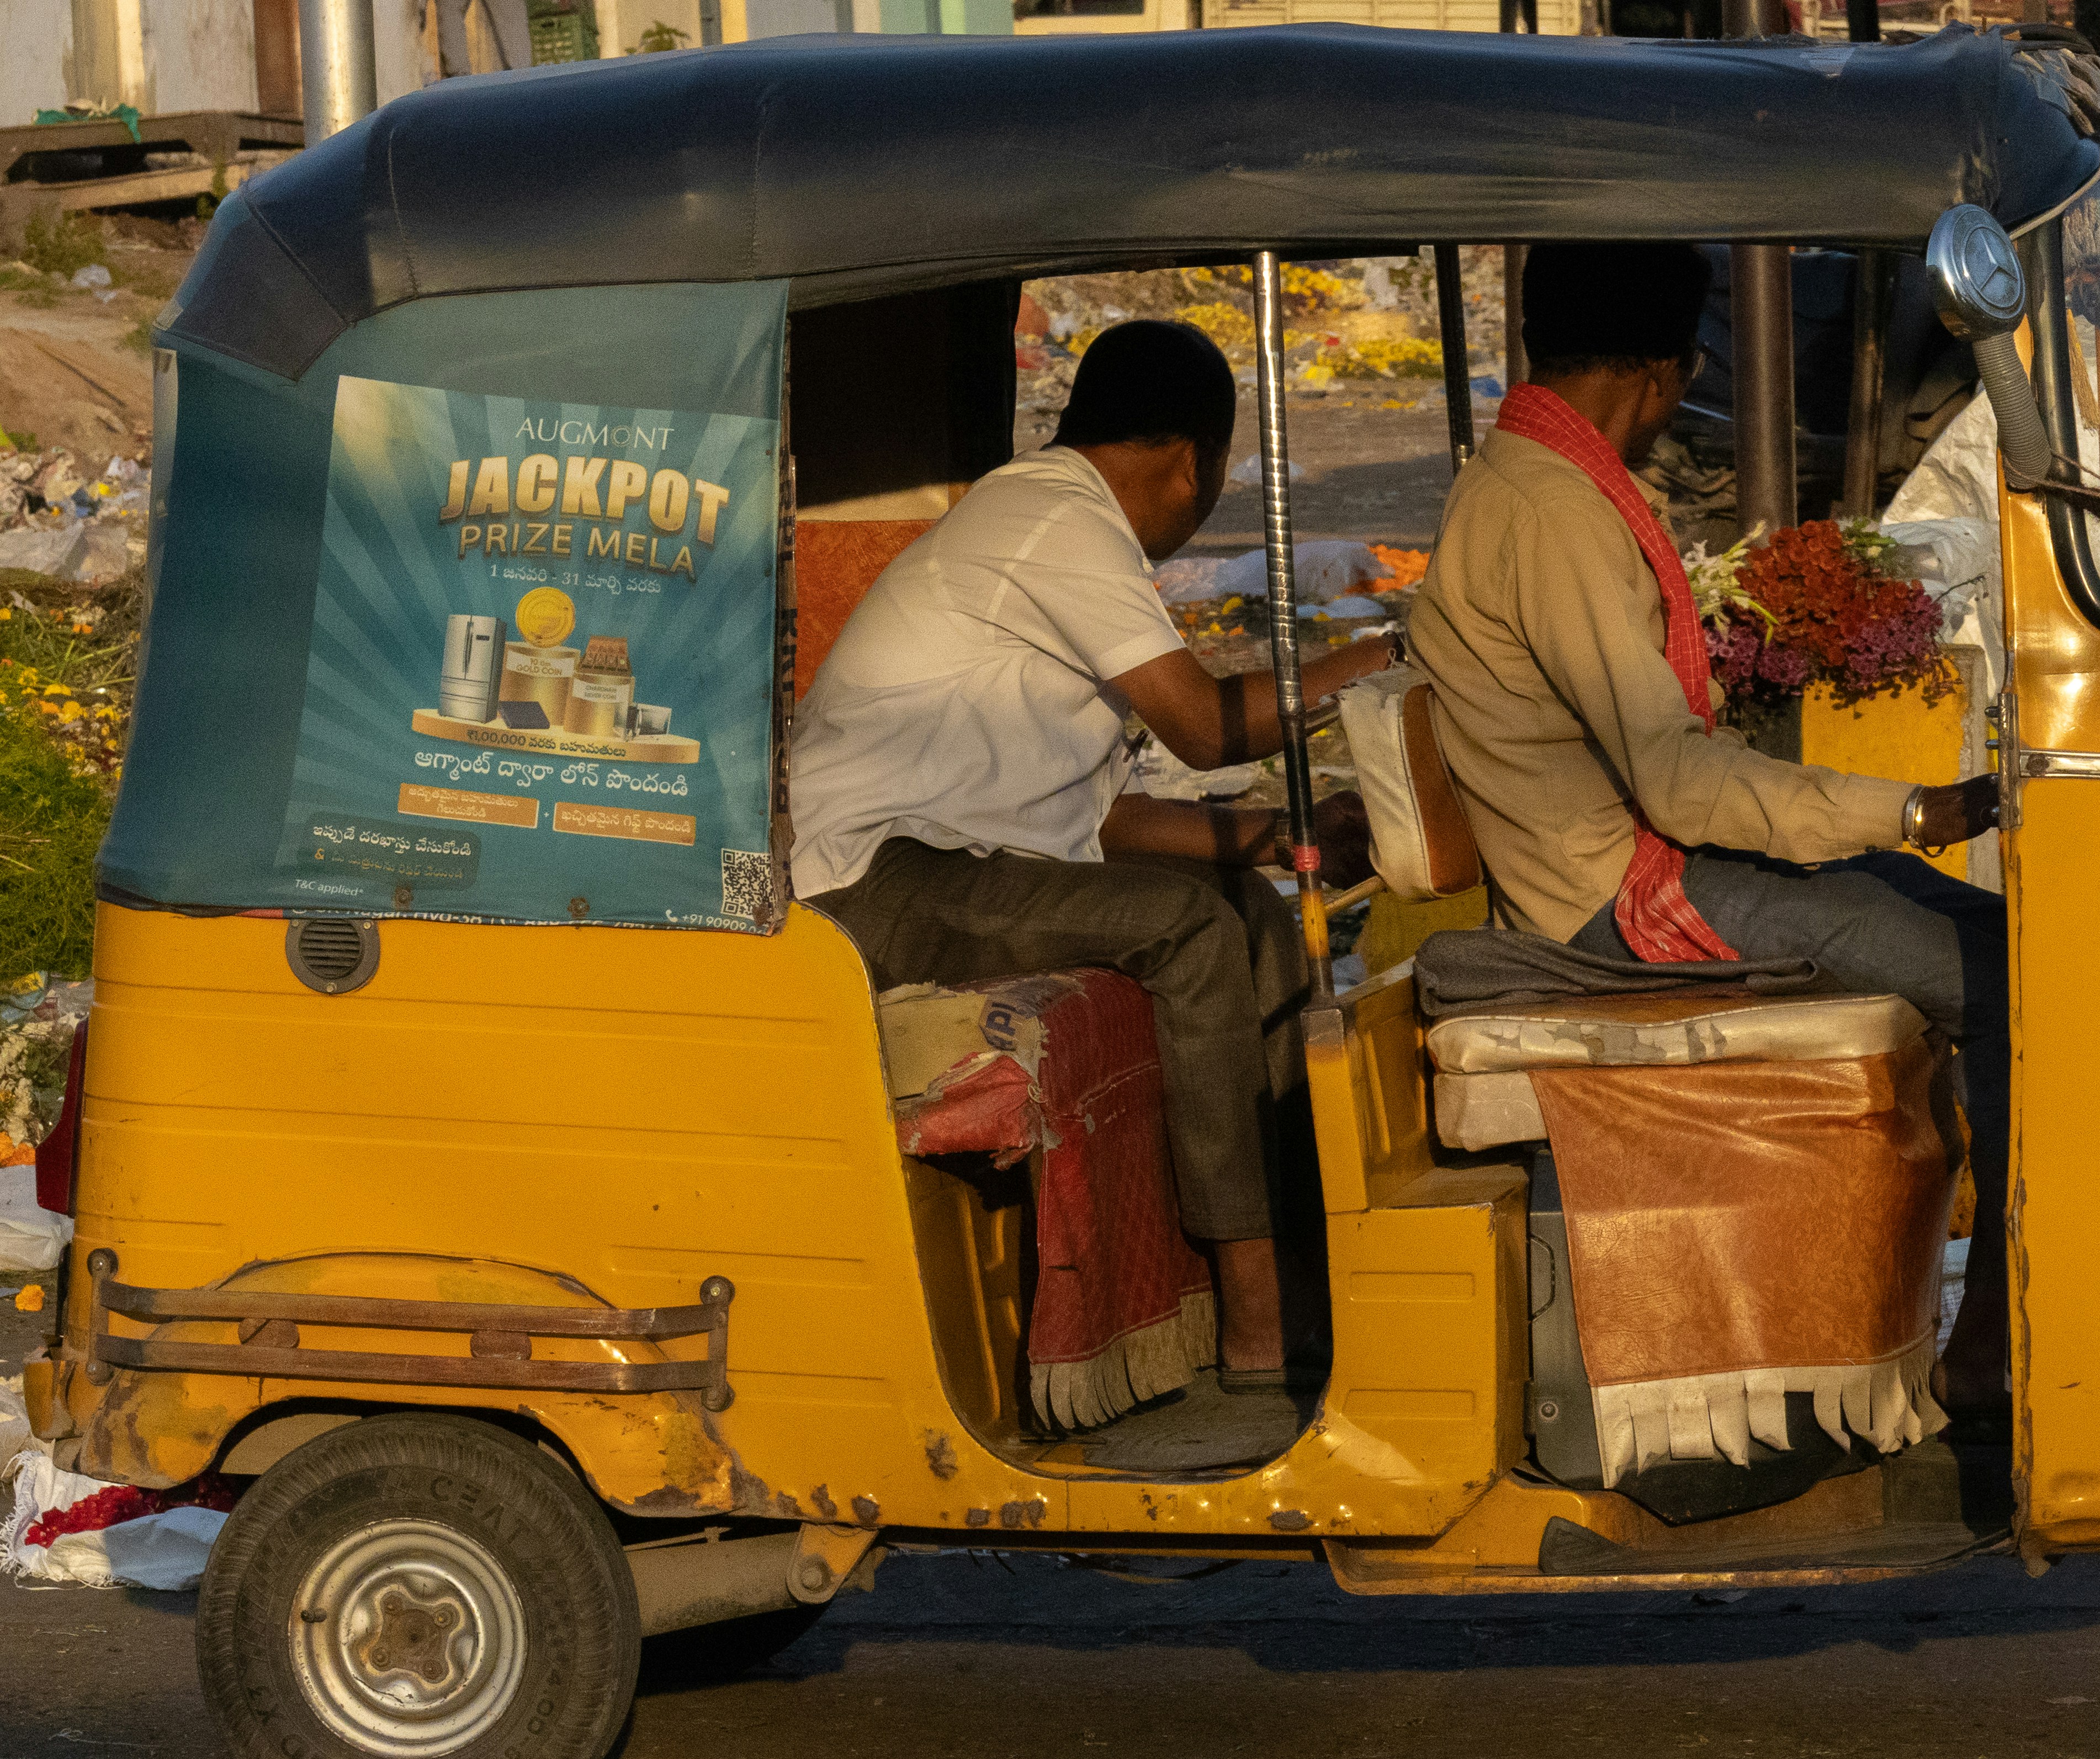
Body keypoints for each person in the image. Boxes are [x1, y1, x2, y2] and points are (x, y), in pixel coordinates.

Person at [1402, 242, 2014, 1411]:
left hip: (1632, 854)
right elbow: (1677, 784)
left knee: (1979, 926)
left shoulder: (1542, 481)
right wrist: (1917, 808)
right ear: (1658, 371)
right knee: (2004, 978)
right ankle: (1988, 1341)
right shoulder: (1552, 511)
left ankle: (1970, 1317)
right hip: (1615, 897)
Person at [791, 319, 1392, 1395]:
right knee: (1194, 928)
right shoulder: (1053, 514)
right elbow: (1206, 730)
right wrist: (1390, 652)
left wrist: (1276, 838)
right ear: (1191, 461)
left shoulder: (1057, 522)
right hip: (873, 883)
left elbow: (1100, 823)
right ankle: (1257, 1311)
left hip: (950, 869)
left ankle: (1301, 1256)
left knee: (1245, 909)